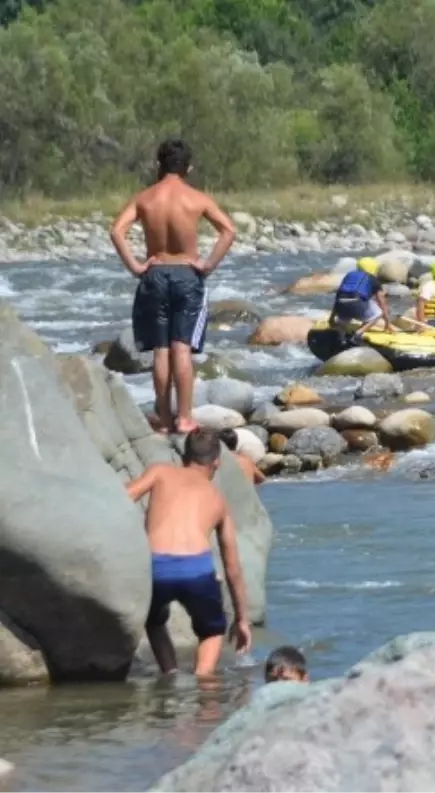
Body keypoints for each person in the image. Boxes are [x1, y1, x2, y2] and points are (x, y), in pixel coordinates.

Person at [110, 139, 237, 435]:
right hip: (186, 274)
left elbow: (117, 230)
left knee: (161, 351)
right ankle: (185, 418)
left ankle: (165, 420)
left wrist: (135, 266)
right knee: (182, 349)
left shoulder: (144, 198)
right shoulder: (197, 199)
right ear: (188, 168)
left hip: (154, 275)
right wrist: (207, 264)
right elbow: (229, 230)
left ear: (158, 165)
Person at [124, 428, 252, 677]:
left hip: (157, 567)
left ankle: (170, 673)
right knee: (212, 632)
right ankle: (203, 684)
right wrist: (242, 619)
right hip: (198, 570)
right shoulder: (218, 499)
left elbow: (126, 495)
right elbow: (232, 566)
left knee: (154, 620)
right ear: (216, 462)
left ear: (184, 458)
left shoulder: (161, 471)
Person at [330, 257, 392, 339]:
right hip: (357, 302)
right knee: (379, 313)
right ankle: (358, 333)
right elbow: (381, 302)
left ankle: (340, 335)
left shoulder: (350, 275)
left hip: (341, 304)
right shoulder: (373, 280)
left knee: (344, 319)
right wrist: (387, 322)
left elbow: (339, 295)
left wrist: (331, 317)